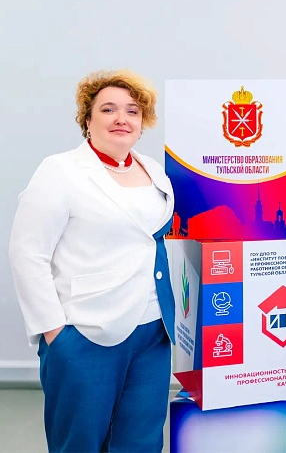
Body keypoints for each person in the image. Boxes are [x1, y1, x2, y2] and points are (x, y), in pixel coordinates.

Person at [8, 70, 175, 452]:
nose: (122, 118)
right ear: (87, 119)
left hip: (152, 330)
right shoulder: (60, 171)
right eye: (108, 109)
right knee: (80, 441)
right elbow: (27, 253)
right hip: (85, 330)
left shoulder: (154, 170)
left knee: (141, 440)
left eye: (132, 111)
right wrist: (54, 332)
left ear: (142, 122)